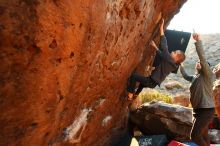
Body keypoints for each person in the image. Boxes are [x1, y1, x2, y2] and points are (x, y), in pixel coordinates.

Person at [127, 18, 185, 100]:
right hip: (153, 83)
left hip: (151, 81)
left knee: (134, 76)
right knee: (142, 84)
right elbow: (162, 56)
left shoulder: (170, 60)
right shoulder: (173, 64)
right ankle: (136, 95)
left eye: (175, 52)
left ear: (177, 57)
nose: (172, 51)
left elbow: (164, 47)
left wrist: (161, 28)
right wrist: (155, 47)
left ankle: (130, 95)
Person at [180, 33, 215, 146]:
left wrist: (198, 41)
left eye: (201, 63)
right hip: (197, 111)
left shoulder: (208, 76)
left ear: (206, 68)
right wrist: (181, 65)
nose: (198, 63)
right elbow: (185, 75)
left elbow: (203, 59)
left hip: (206, 110)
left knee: (194, 136)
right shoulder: (195, 78)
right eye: (197, 63)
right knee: (204, 135)